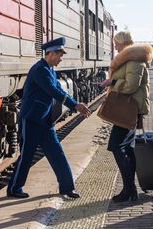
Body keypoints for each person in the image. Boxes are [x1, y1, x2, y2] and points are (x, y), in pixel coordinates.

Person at [7, 37, 92, 199]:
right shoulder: (40, 70)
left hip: (45, 121)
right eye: (60, 55)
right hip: (31, 120)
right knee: (26, 155)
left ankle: (67, 188)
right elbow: (53, 91)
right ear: (51, 53)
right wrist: (75, 105)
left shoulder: (50, 70)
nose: (61, 59)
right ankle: (14, 188)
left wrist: (74, 103)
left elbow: (57, 90)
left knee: (57, 153)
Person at [100, 31, 153, 202]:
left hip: (129, 109)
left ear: (124, 43)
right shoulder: (129, 59)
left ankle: (129, 189)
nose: (114, 46)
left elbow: (131, 86)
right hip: (128, 108)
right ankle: (131, 190)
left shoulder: (134, 60)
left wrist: (113, 82)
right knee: (128, 149)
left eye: (116, 43)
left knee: (116, 146)